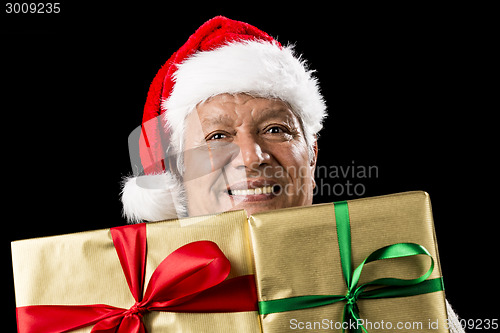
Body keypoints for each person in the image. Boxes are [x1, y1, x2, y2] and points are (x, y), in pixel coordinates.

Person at [121, 16, 464, 333]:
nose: (252, 157)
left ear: (312, 156)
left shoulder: (400, 289)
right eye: (218, 136)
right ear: (177, 171)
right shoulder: (129, 312)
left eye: (275, 129)